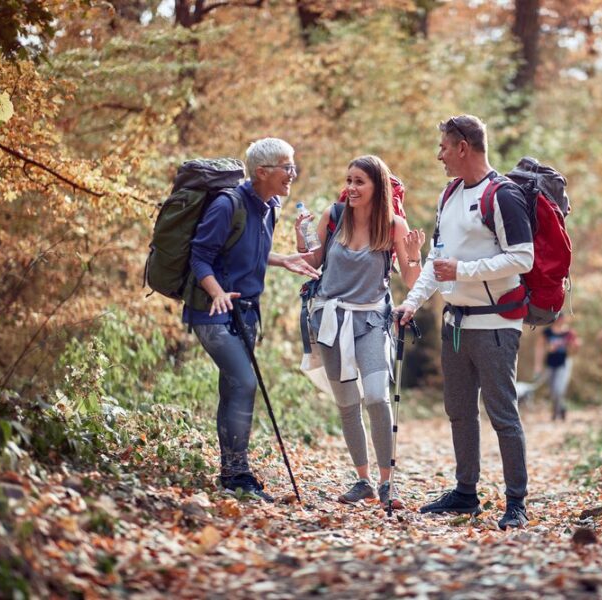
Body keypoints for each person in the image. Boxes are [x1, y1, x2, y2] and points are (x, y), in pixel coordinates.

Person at [395, 114, 534, 530]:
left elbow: (522, 258)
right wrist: (411, 303)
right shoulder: (450, 194)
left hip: (495, 324)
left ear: (463, 147)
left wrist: (465, 270)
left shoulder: (503, 195)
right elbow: (439, 265)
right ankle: (465, 493)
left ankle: (516, 502)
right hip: (455, 324)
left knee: (502, 414)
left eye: (443, 147)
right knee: (458, 411)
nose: (439, 155)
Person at [187, 138, 319, 501]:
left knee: (233, 387)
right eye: (286, 167)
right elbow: (200, 257)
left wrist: (283, 259)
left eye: (293, 166)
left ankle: (231, 473)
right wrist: (215, 292)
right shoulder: (226, 205)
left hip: (247, 312)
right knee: (244, 382)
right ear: (262, 172)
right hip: (212, 312)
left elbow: (250, 249)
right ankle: (237, 473)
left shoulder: (269, 206)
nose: (292, 173)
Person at [297, 155, 425, 508]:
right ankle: (363, 480)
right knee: (347, 404)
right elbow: (311, 263)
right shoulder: (333, 216)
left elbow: (412, 281)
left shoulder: (394, 225)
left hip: (370, 320)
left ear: (376, 187)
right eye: (349, 180)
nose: (351, 188)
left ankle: (387, 483)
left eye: (359, 182)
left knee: (376, 397)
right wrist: (301, 237)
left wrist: (414, 256)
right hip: (330, 319)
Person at [534, 312, 581, 421]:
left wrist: (576, 346)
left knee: (558, 390)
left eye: (562, 318)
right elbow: (539, 348)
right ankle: (560, 408)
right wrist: (538, 365)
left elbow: (574, 350)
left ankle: (556, 413)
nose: (560, 320)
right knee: (552, 390)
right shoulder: (547, 332)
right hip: (550, 364)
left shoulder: (569, 333)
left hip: (563, 364)